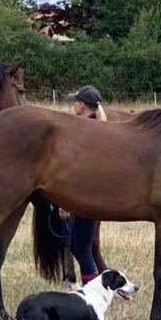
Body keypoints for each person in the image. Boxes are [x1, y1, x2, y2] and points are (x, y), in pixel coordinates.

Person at [59, 86, 107, 284]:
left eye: (75, 102)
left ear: (82, 106)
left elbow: (78, 169)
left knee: (82, 248)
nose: (72, 105)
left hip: (84, 198)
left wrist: (65, 201)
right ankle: (92, 285)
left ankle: (94, 290)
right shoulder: (97, 127)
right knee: (78, 246)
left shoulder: (84, 130)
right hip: (88, 197)